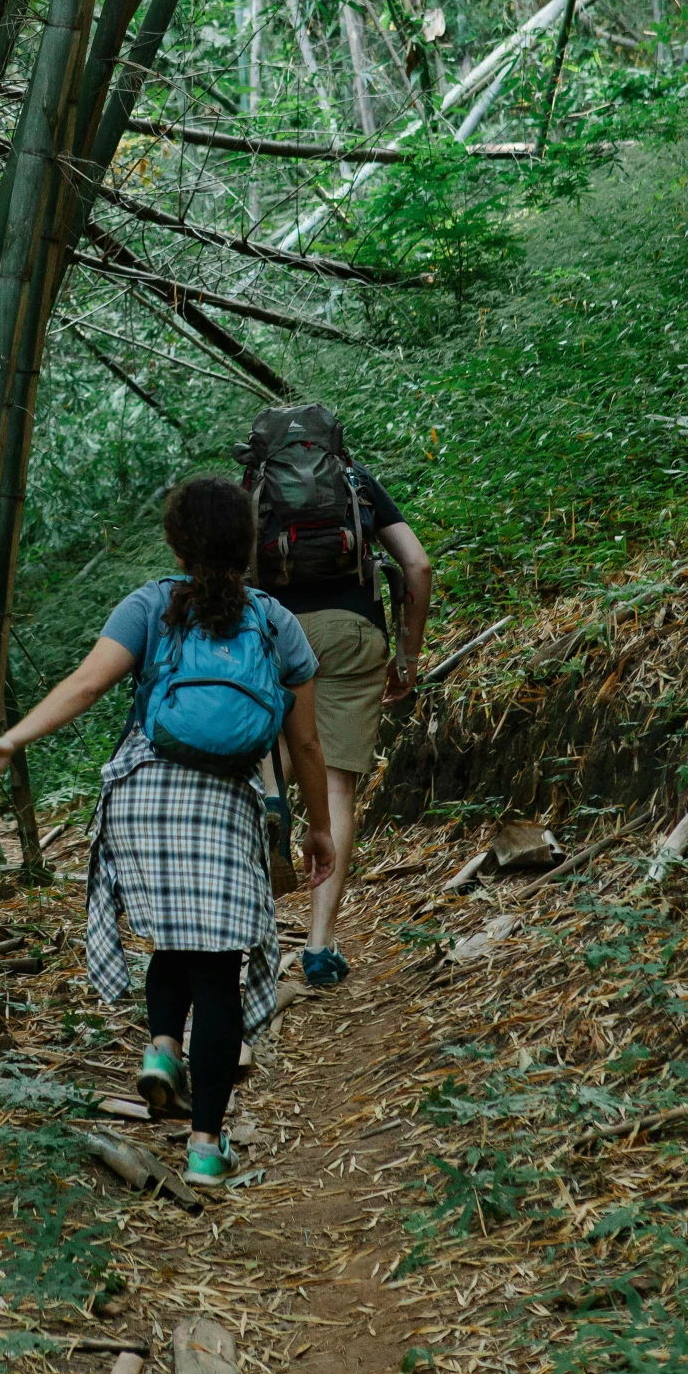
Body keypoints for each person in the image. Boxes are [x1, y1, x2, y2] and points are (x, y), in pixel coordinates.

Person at [0, 477, 334, 1190]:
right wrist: (317, 828)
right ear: (247, 543)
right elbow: (309, 745)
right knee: (217, 971)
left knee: (173, 939)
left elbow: (84, 684)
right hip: (224, 802)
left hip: (143, 792)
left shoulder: (149, 606)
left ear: (175, 542)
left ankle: (162, 1048)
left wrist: (11, 739)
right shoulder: (274, 621)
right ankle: (204, 1148)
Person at [242, 407, 432, 990]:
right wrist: (408, 652)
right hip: (353, 636)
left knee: (268, 759)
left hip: (274, 633)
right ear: (334, 443)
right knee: (337, 785)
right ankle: (321, 947)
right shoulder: (357, 483)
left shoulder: (249, 493)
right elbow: (418, 565)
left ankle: (273, 808)